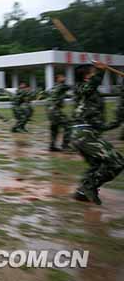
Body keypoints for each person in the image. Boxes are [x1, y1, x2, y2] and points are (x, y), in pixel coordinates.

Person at [70, 61, 123, 205]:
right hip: (83, 134)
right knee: (117, 162)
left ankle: (82, 193)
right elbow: (90, 87)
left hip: (90, 133)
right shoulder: (80, 88)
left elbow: (104, 120)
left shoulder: (93, 92)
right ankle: (89, 187)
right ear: (86, 77)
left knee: (98, 165)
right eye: (93, 72)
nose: (96, 75)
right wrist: (101, 71)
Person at [46, 74, 71, 151]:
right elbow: (70, 87)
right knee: (68, 125)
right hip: (55, 110)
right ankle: (65, 146)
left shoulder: (54, 87)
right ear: (57, 79)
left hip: (50, 110)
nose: (64, 77)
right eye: (62, 77)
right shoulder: (61, 86)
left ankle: (52, 146)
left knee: (54, 128)